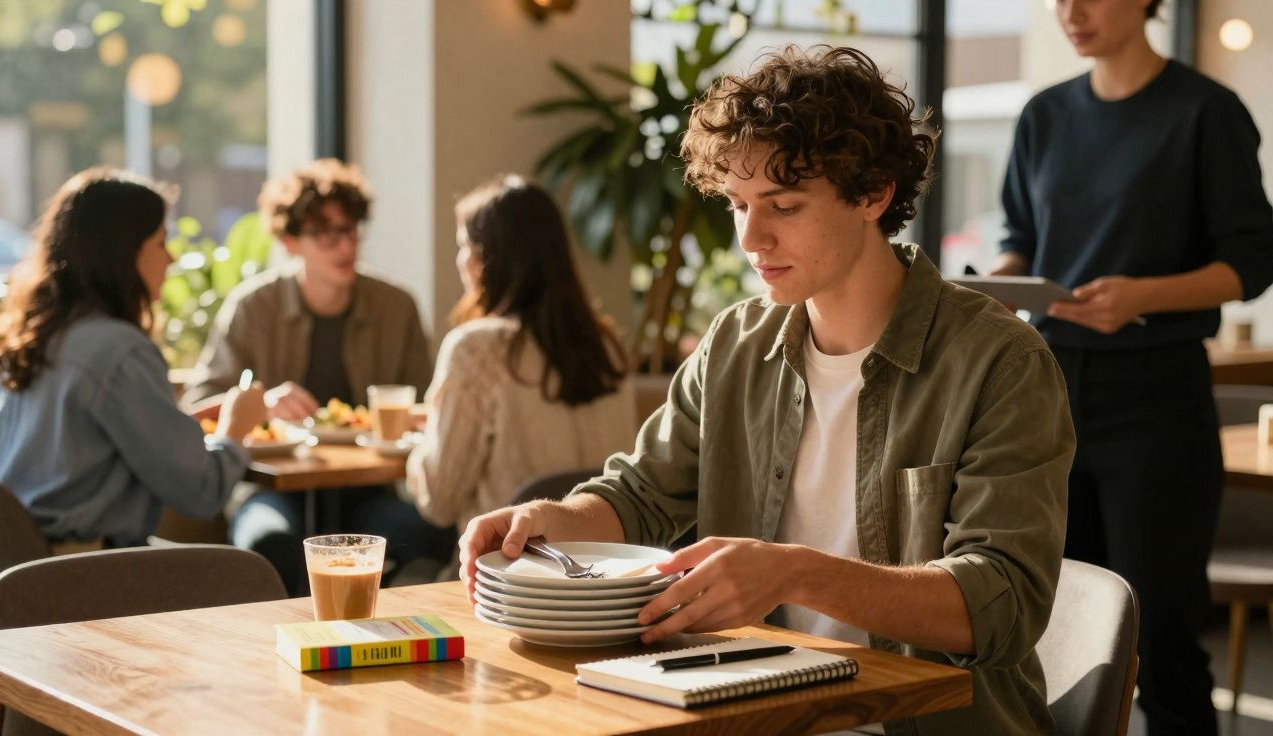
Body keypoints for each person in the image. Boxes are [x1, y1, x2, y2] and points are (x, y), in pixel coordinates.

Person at [459, 46, 1075, 735]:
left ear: (872, 194)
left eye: (783, 204)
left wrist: (793, 574)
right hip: (760, 713)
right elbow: (638, 496)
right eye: (737, 204)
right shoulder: (736, 344)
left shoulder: (999, 362)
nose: (751, 238)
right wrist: (550, 522)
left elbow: (1002, 603)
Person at [993, 1, 1273, 733]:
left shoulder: (1206, 111)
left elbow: (1252, 260)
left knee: (1163, 639)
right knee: (1049, 629)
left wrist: (1144, 295)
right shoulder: (1044, 115)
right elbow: (1021, 239)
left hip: (1157, 397)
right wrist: (993, 290)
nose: (1070, 11)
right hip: (1046, 390)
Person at [183, 158, 445, 593]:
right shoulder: (254, 307)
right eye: (326, 235)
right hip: (271, 487)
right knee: (270, 544)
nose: (345, 247)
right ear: (290, 241)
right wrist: (259, 402)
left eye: (351, 230)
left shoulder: (396, 307)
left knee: (431, 533)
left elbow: (429, 408)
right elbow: (201, 403)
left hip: (373, 490)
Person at [0, 167, 266, 548]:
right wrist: (236, 430)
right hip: (83, 575)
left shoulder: (25, 339)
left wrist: (190, 420)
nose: (171, 259)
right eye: (161, 243)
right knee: (248, 575)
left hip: (6, 574)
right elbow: (201, 493)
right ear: (124, 254)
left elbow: (85, 444)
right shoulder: (121, 351)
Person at [406, 175, 636, 571]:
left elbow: (438, 503)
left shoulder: (478, 348)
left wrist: (421, 439)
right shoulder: (607, 346)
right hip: (603, 576)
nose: (460, 260)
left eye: (463, 246)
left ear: (486, 258)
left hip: (510, 575)